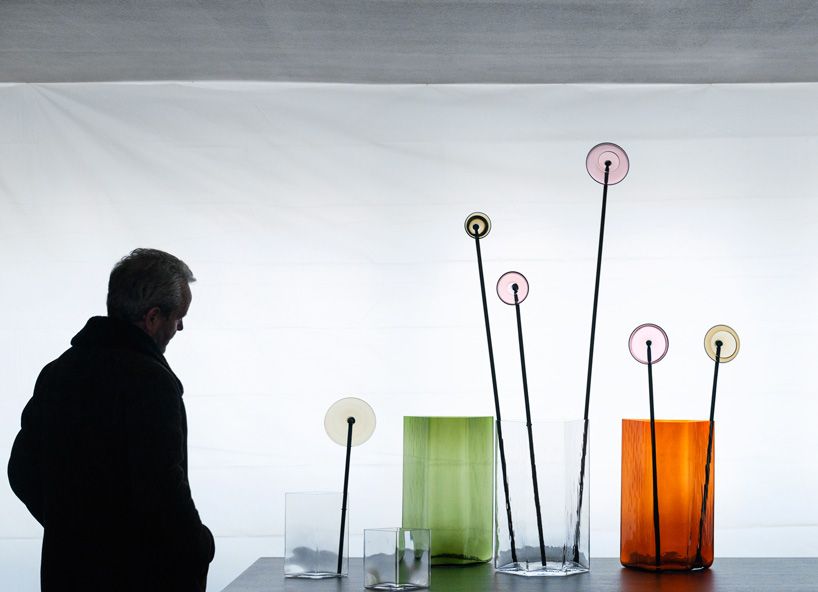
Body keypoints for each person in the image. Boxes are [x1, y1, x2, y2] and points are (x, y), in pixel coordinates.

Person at [8, 248, 215, 591]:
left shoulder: (59, 372)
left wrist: (71, 526)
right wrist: (200, 545)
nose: (180, 326)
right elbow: (162, 488)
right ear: (152, 317)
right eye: (179, 317)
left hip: (67, 573)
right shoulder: (150, 382)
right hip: (142, 578)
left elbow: (22, 470)